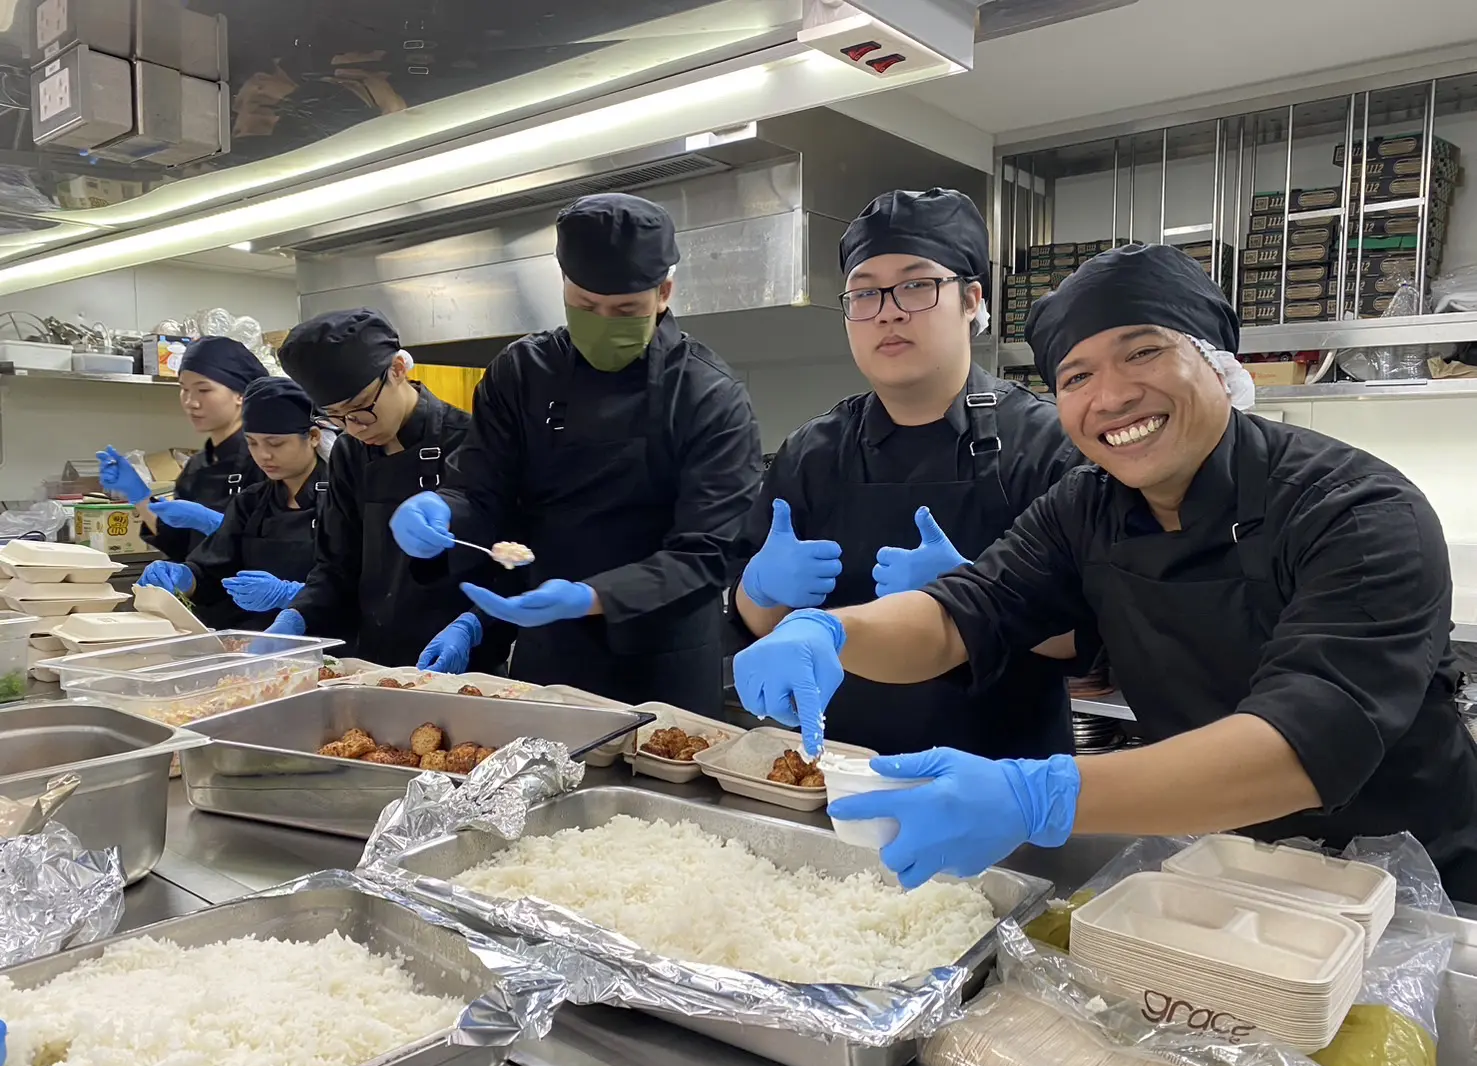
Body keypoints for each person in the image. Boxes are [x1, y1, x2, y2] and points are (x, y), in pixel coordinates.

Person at [733, 243, 1477, 900]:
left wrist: (1037, 794)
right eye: (1077, 374)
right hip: (1217, 865)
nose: (1111, 395)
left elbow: (1303, 744)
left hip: (1409, 891)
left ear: (1220, 367)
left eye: (1143, 353)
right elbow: (962, 613)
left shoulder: (1357, 512)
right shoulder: (1085, 505)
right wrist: (827, 631)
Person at [732, 188, 1082, 759]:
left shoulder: (1049, 446)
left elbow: (1092, 638)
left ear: (972, 299)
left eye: (917, 286)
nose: (889, 311)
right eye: (865, 293)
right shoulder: (812, 453)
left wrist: (981, 598)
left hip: (999, 785)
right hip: (835, 772)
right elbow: (758, 623)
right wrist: (758, 587)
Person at [390, 192, 763, 716]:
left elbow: (709, 552)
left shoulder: (708, 394)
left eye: (625, 310)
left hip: (664, 661)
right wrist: (443, 511)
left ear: (664, 293)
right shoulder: (521, 373)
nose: (603, 321)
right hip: (548, 647)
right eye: (586, 306)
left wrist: (592, 596)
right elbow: (483, 491)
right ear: (563, 286)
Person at [262, 309, 515, 669]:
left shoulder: (470, 440)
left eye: (360, 410)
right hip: (374, 662)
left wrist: (473, 624)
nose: (353, 428)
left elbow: (510, 561)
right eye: (335, 417)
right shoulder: (350, 453)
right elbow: (336, 566)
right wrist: (296, 617)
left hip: (462, 660)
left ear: (398, 369)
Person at [137, 377, 330, 631]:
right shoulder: (250, 502)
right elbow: (213, 572)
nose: (263, 455)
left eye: (276, 443)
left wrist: (293, 595)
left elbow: (361, 586)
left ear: (313, 437)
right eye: (252, 443)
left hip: (328, 648)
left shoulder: (343, 499)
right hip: (251, 647)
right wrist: (183, 577)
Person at [96, 337, 268, 560]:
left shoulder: (265, 460)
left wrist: (213, 524)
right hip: (201, 590)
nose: (190, 402)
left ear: (240, 395)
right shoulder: (197, 466)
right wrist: (138, 494)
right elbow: (179, 544)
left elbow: (277, 546)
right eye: (184, 389)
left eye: (203, 390)